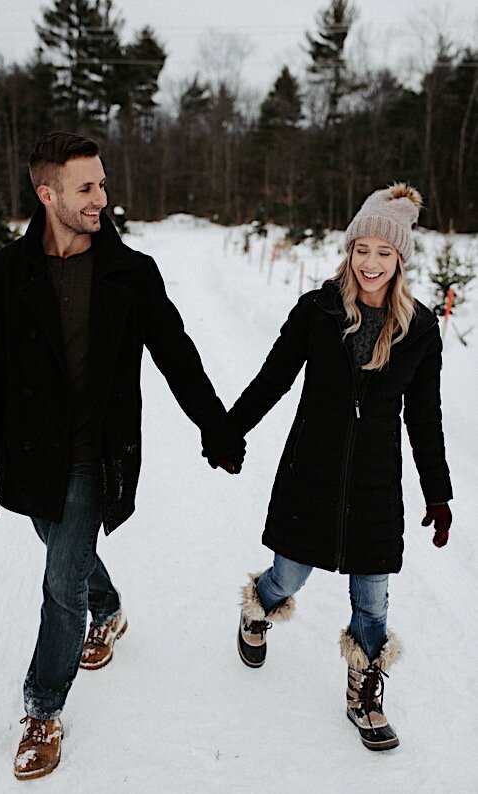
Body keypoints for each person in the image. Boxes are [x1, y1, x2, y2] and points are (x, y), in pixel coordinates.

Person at [0, 131, 245, 780]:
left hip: (94, 453)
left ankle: (41, 709)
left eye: (102, 184)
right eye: (85, 187)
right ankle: (108, 609)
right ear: (46, 193)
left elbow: (176, 355)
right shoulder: (4, 275)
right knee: (65, 552)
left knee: (60, 583)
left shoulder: (128, 273)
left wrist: (216, 426)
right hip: (30, 455)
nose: (100, 198)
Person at [230, 183, 453, 751]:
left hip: (377, 484)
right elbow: (273, 378)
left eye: (384, 252)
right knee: (290, 574)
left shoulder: (420, 329)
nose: (371, 262)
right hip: (314, 469)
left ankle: (364, 692)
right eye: (362, 249)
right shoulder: (317, 310)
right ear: (349, 250)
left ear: (400, 258)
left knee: (372, 599)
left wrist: (438, 493)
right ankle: (259, 608)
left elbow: (424, 417)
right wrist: (229, 428)